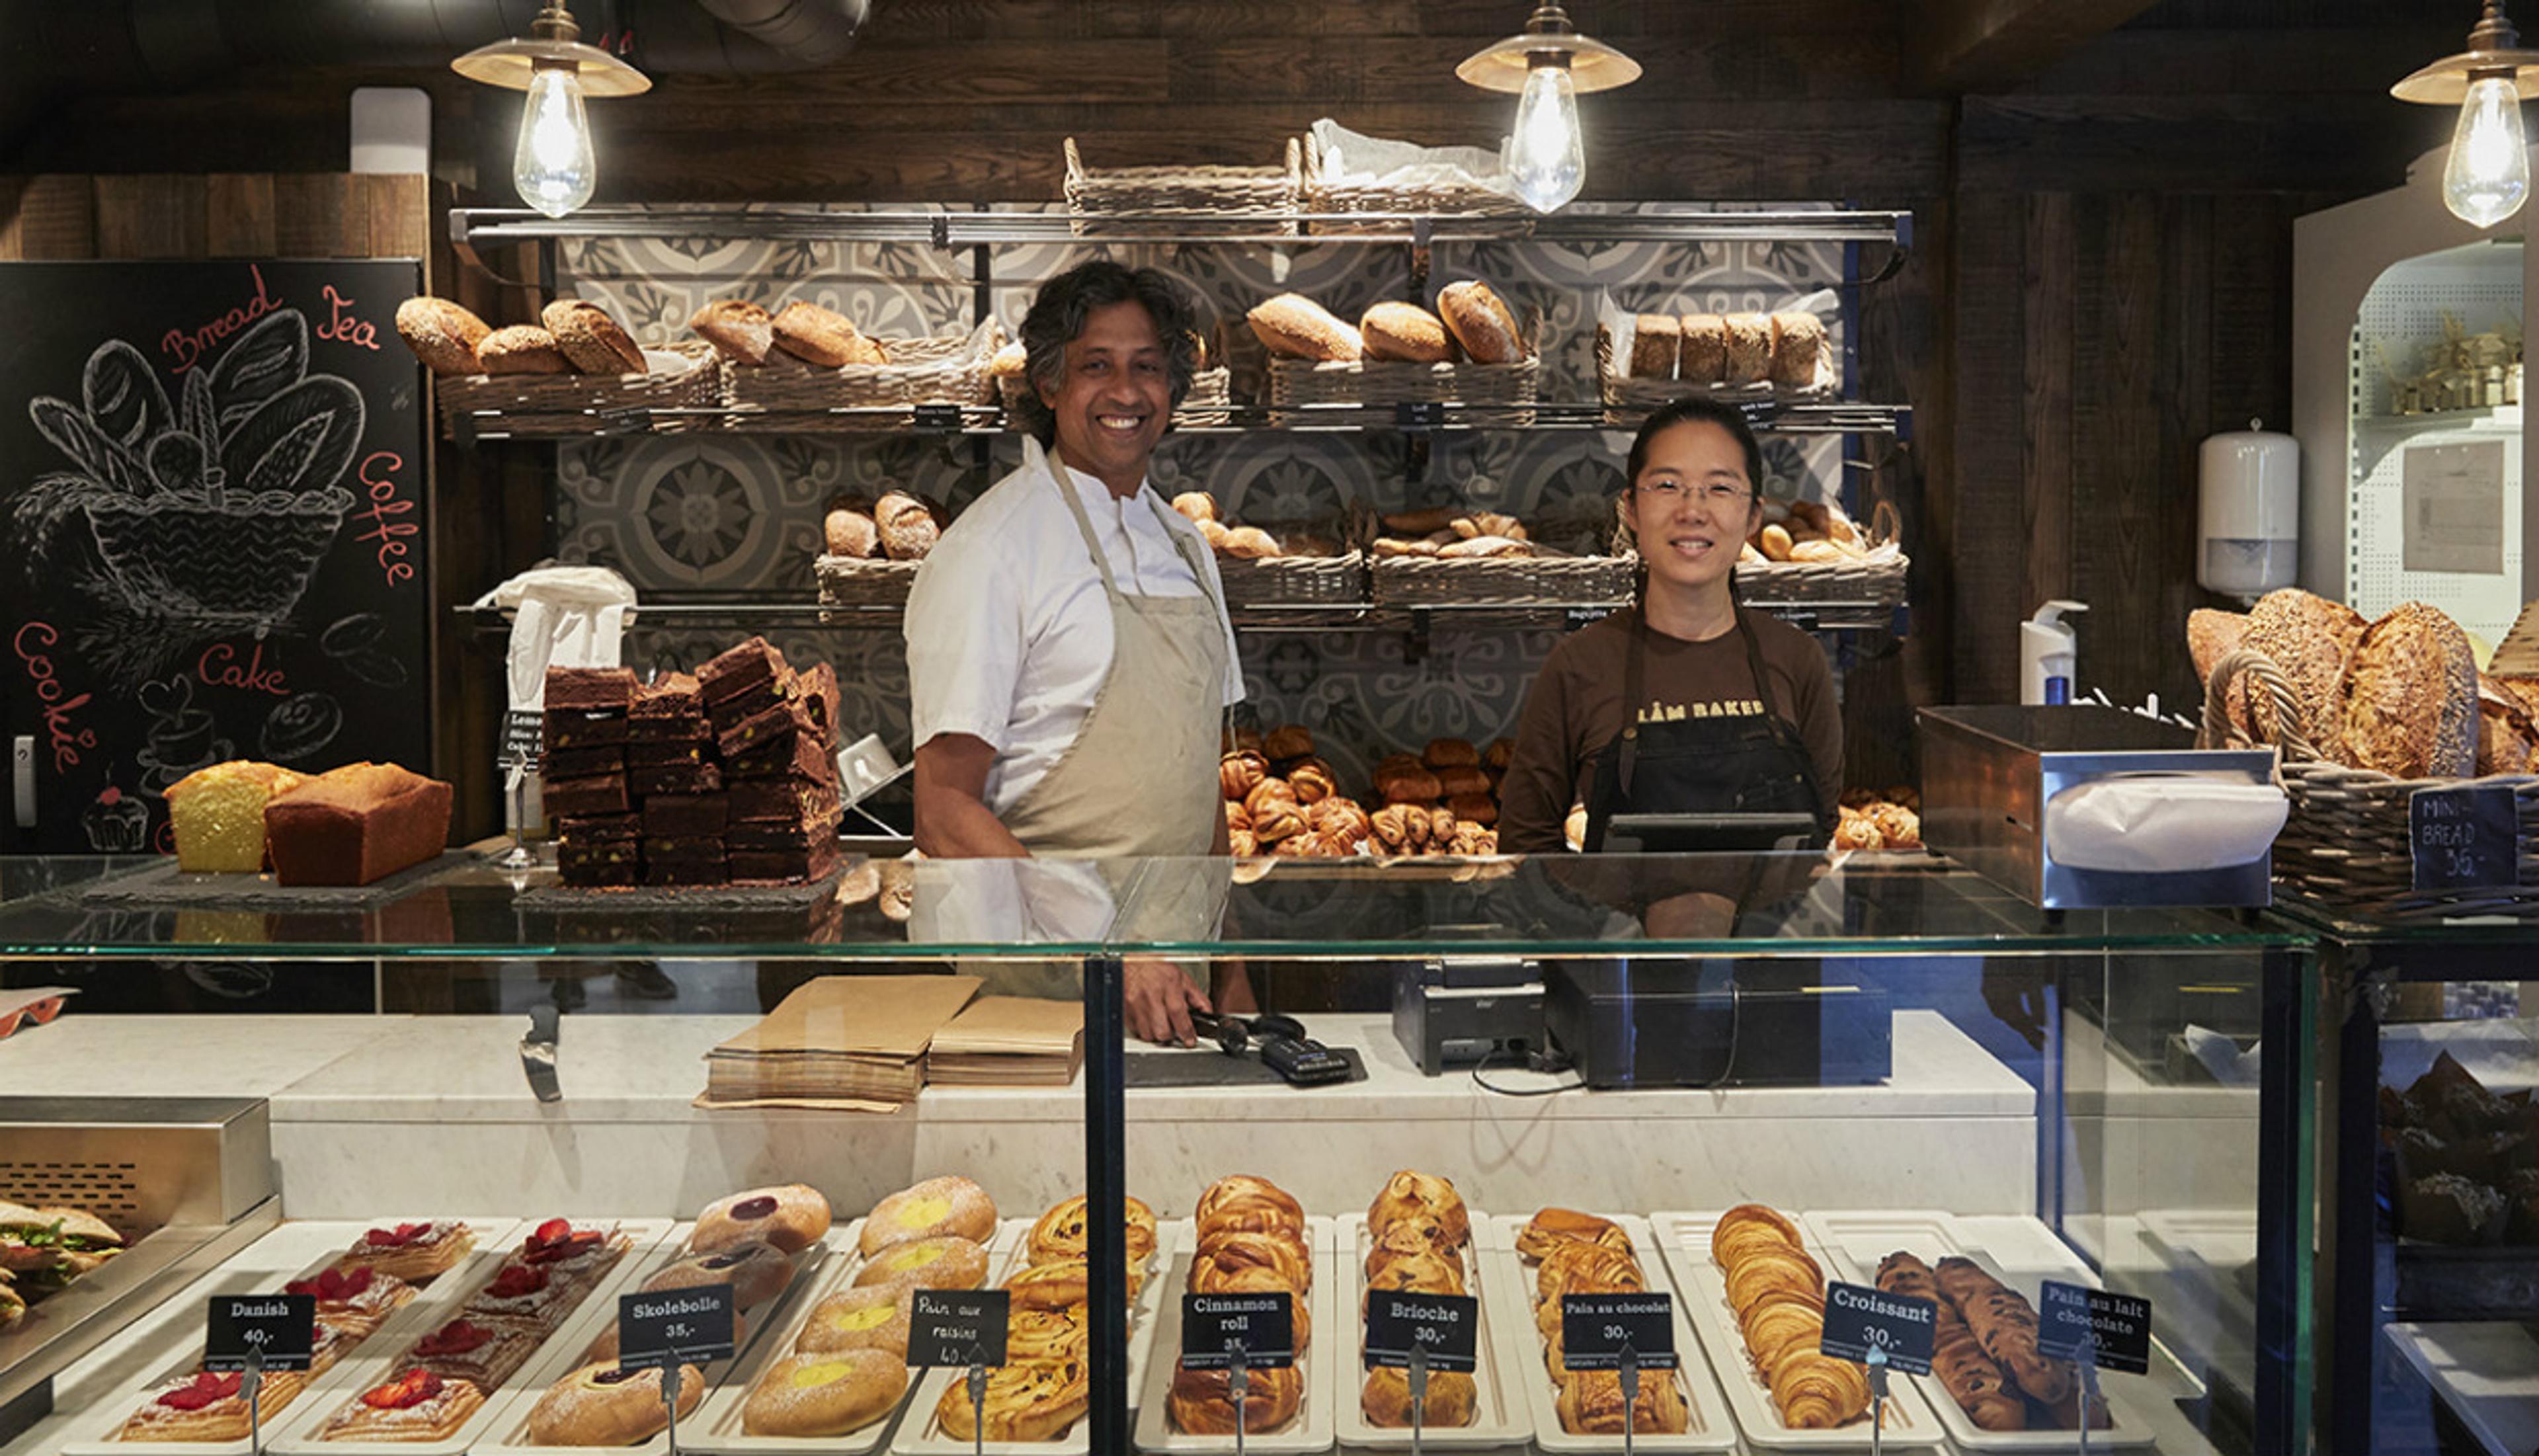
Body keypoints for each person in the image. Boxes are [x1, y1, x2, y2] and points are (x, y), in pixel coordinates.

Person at [904, 260, 1248, 1044]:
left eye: (1147, 368)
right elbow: (944, 811)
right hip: (1035, 997)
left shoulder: (1188, 547)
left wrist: (1232, 967)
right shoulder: (993, 551)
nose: (1126, 393)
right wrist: (1111, 951)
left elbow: (1199, 785)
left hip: (1178, 996)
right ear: (1051, 385)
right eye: (1097, 366)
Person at [1498, 397, 1843, 854]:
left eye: (1720, 488)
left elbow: (1820, 828)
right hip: (1615, 924)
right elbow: (1525, 844)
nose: (1692, 510)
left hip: (1764, 926)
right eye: (1666, 485)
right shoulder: (1579, 664)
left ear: (1753, 516)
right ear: (1632, 510)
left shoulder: (1797, 659)